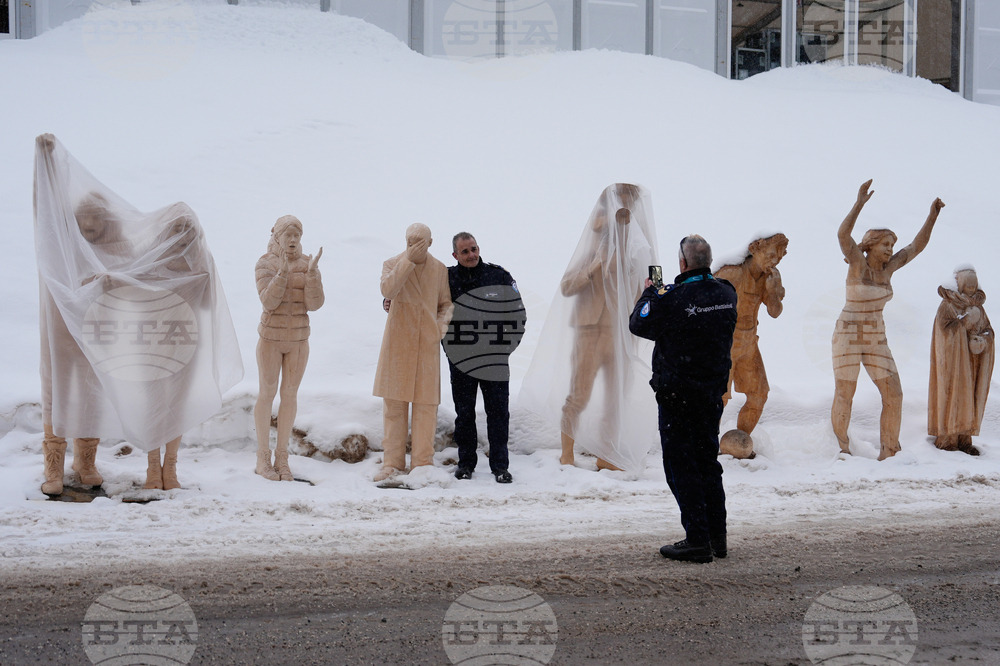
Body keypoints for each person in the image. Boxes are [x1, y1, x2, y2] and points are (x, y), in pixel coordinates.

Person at [520, 184, 659, 474]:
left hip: (622, 334)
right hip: (590, 332)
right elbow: (567, 286)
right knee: (579, 395)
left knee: (616, 398)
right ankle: (566, 454)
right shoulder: (592, 249)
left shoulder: (638, 252)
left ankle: (607, 454)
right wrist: (595, 266)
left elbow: (654, 288)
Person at [629, 235, 737, 563]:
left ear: (683, 263)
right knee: (707, 463)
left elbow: (638, 324)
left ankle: (697, 540)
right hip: (710, 393)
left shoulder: (672, 298)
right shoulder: (726, 292)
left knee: (681, 467)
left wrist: (651, 291)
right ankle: (717, 537)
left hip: (678, 395)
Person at [832, 180, 944, 460]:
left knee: (894, 394)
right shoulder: (858, 262)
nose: (891, 249)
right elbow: (843, 235)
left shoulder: (889, 269)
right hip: (848, 332)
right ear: (870, 246)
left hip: (876, 337)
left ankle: (890, 452)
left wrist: (932, 216)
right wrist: (859, 203)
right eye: (885, 243)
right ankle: (840, 449)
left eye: (892, 244)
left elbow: (917, 246)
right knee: (846, 392)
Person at [373, 223, 453, 482]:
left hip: (426, 345)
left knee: (425, 407)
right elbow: (388, 290)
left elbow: (446, 304)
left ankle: (422, 462)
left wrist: (439, 329)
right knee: (395, 407)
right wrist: (407, 259)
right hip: (397, 344)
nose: (415, 245)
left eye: (420, 241)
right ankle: (392, 463)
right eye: (410, 240)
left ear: (430, 242)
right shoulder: (392, 263)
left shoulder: (440, 269)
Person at [444, 232, 525, 483]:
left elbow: (518, 316)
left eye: (474, 249)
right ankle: (466, 464)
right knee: (464, 413)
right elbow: (418, 293)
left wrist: (504, 350)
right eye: (465, 251)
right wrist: (389, 299)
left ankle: (500, 466)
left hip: (494, 359)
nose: (471, 255)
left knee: (498, 413)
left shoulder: (498, 276)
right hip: (461, 358)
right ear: (455, 255)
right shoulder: (445, 278)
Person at [254, 216, 324, 481]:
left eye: (297, 235)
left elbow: (315, 304)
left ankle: (282, 457)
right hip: (271, 339)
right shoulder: (265, 263)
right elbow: (268, 301)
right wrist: (283, 271)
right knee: (267, 393)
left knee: (290, 395)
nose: (293, 240)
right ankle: (263, 457)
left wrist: (313, 275)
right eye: (288, 235)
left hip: (298, 339)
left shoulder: (307, 264)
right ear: (277, 237)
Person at [714, 233, 788, 457]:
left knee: (758, 395)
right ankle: (705, 445)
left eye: (779, 257)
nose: (774, 261)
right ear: (755, 249)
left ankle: (737, 444)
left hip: (749, 344)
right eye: (770, 254)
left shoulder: (769, 277)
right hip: (723, 344)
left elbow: (775, 312)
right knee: (718, 398)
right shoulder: (732, 273)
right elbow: (706, 302)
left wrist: (774, 291)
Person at [928, 268, 994, 455]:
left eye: (974, 285)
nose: (972, 289)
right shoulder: (948, 305)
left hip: (972, 363)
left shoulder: (978, 308)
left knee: (970, 398)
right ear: (961, 285)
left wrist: (983, 340)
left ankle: (965, 439)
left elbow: (988, 329)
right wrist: (965, 321)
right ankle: (948, 439)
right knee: (953, 396)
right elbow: (944, 332)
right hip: (953, 364)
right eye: (968, 285)